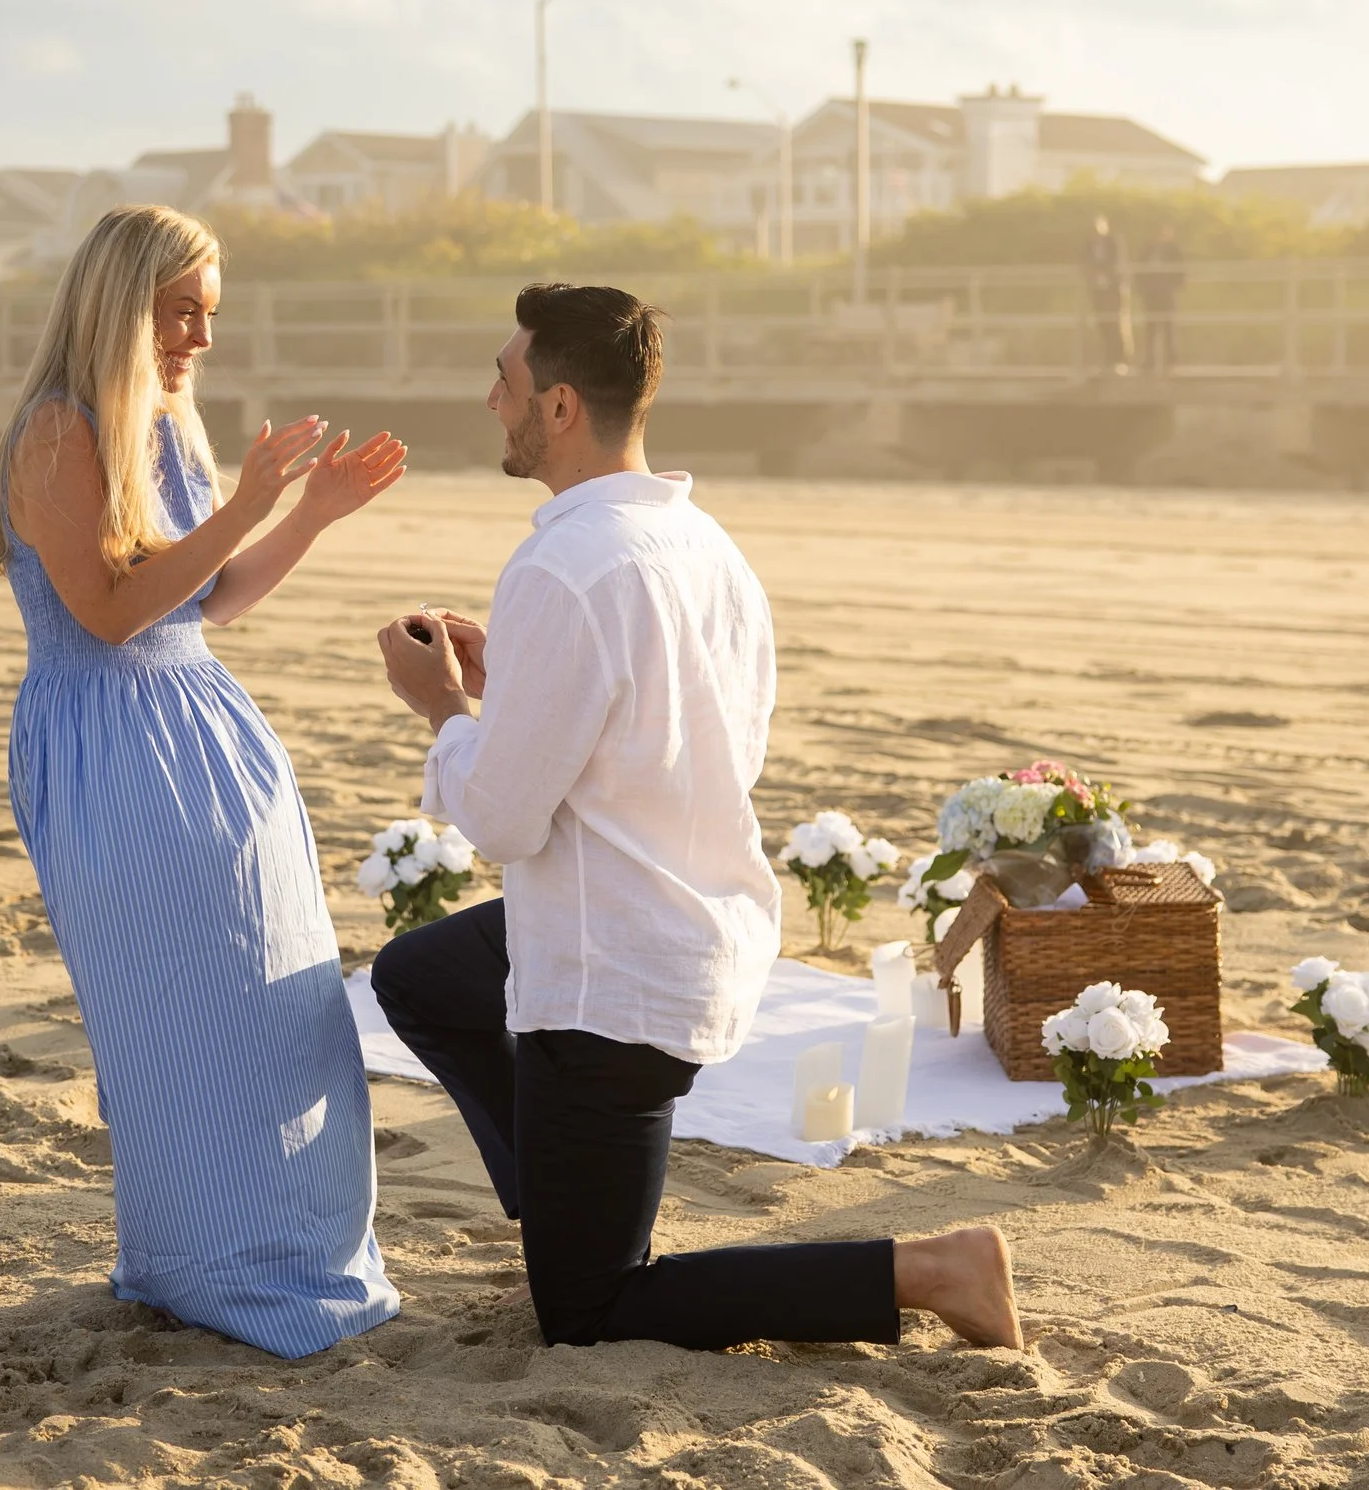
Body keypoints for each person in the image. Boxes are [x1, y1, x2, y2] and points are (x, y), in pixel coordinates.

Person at [371, 283, 1023, 1354]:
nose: (492, 400)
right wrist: (516, 684)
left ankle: (931, 1267)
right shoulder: (703, 543)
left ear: (561, 405)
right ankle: (559, 1185)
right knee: (420, 976)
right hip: (691, 925)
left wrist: (443, 708)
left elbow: (501, 822)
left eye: (505, 380)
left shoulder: (560, 564)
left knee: (590, 1313)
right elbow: (687, 741)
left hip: (612, 981)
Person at [0, 204, 409, 1359]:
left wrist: (309, 511)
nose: (200, 339)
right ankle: (200, 1262)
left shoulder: (168, 419)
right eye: (181, 313)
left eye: (210, 314)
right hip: (109, 744)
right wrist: (246, 506)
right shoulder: (58, 433)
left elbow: (211, 600)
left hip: (209, 731)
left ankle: (298, 1253)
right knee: (170, 1019)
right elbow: (110, 614)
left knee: (276, 1004)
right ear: (118, 303)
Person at [1082, 215, 1130, 377]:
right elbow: (1085, 262)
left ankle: (1119, 361)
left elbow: (1118, 262)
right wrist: (1093, 275)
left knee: (1115, 324)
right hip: (1098, 290)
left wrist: (1105, 274)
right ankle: (1106, 361)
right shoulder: (1089, 244)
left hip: (1113, 290)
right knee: (1102, 325)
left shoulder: (1114, 241)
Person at [1138, 224, 1185, 379]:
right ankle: (1149, 362)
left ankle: (1172, 362)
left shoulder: (1174, 250)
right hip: (1151, 295)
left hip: (1167, 294)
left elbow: (1181, 272)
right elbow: (1140, 271)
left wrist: (1172, 286)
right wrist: (1143, 289)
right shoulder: (1147, 250)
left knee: (1169, 328)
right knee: (1151, 328)